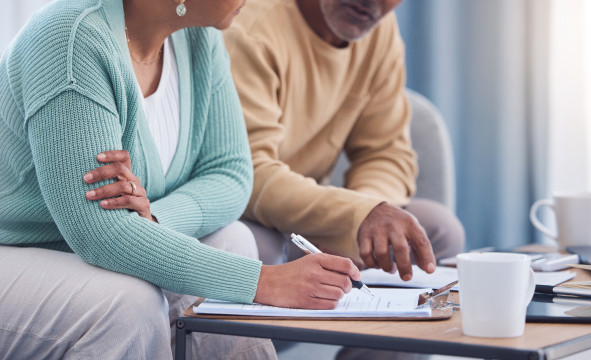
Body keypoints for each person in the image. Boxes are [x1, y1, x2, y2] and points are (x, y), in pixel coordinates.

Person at [0, 0, 361, 358]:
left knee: (233, 239)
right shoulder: (70, 38)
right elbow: (99, 233)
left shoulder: (198, 38)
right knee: (128, 305)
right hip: (14, 250)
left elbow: (230, 174)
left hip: (78, 247)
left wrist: (154, 219)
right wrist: (263, 282)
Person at [224, 0, 465, 281]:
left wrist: (359, 226)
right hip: (249, 213)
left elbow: (386, 153)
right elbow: (248, 175)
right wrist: (355, 216)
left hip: (314, 211)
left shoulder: (379, 31)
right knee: (254, 248)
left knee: (440, 229)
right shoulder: (251, 30)